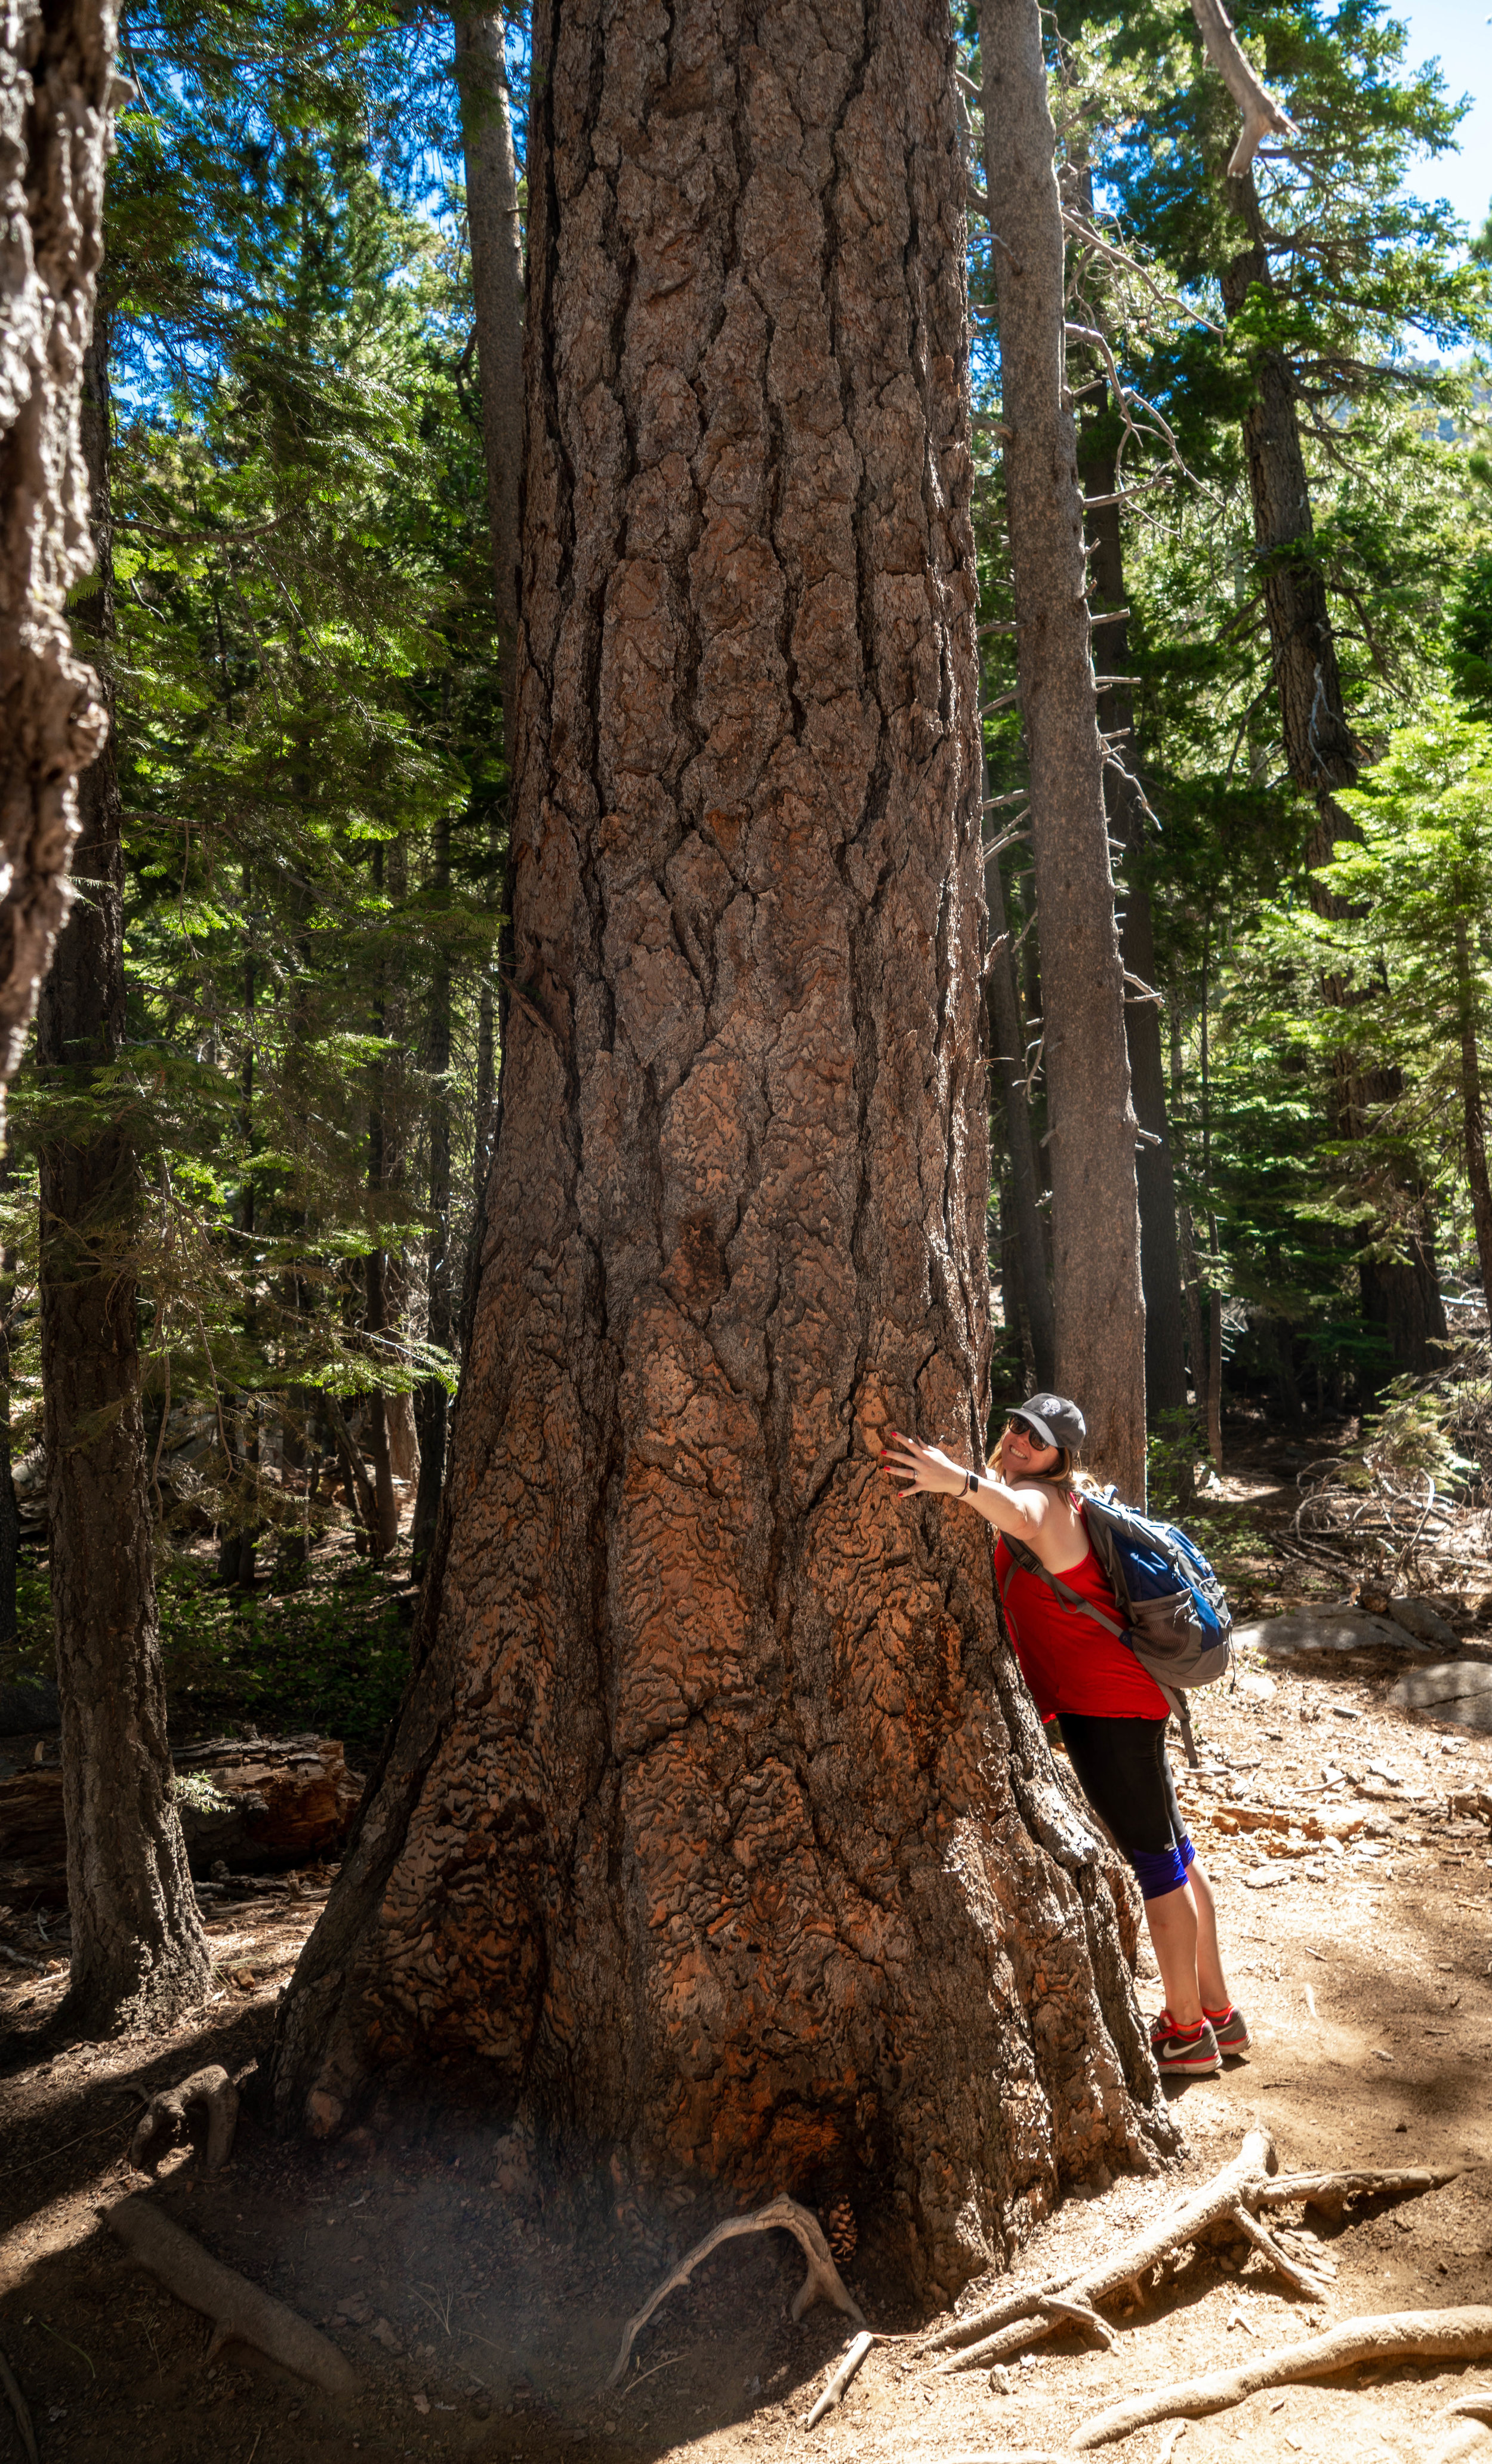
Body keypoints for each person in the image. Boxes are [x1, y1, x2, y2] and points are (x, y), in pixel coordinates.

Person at [880, 1393, 1248, 2079]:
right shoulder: (1062, 1499)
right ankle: (1219, 2017)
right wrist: (971, 1481)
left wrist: (953, 1482)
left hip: (1106, 1712)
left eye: (1039, 1439)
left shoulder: (1045, 1504)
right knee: (1175, 1850)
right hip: (1127, 1702)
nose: (1019, 1440)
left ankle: (1188, 2031)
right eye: (1017, 1425)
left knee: (1157, 1867)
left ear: (1060, 1458)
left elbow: (1019, 1515)